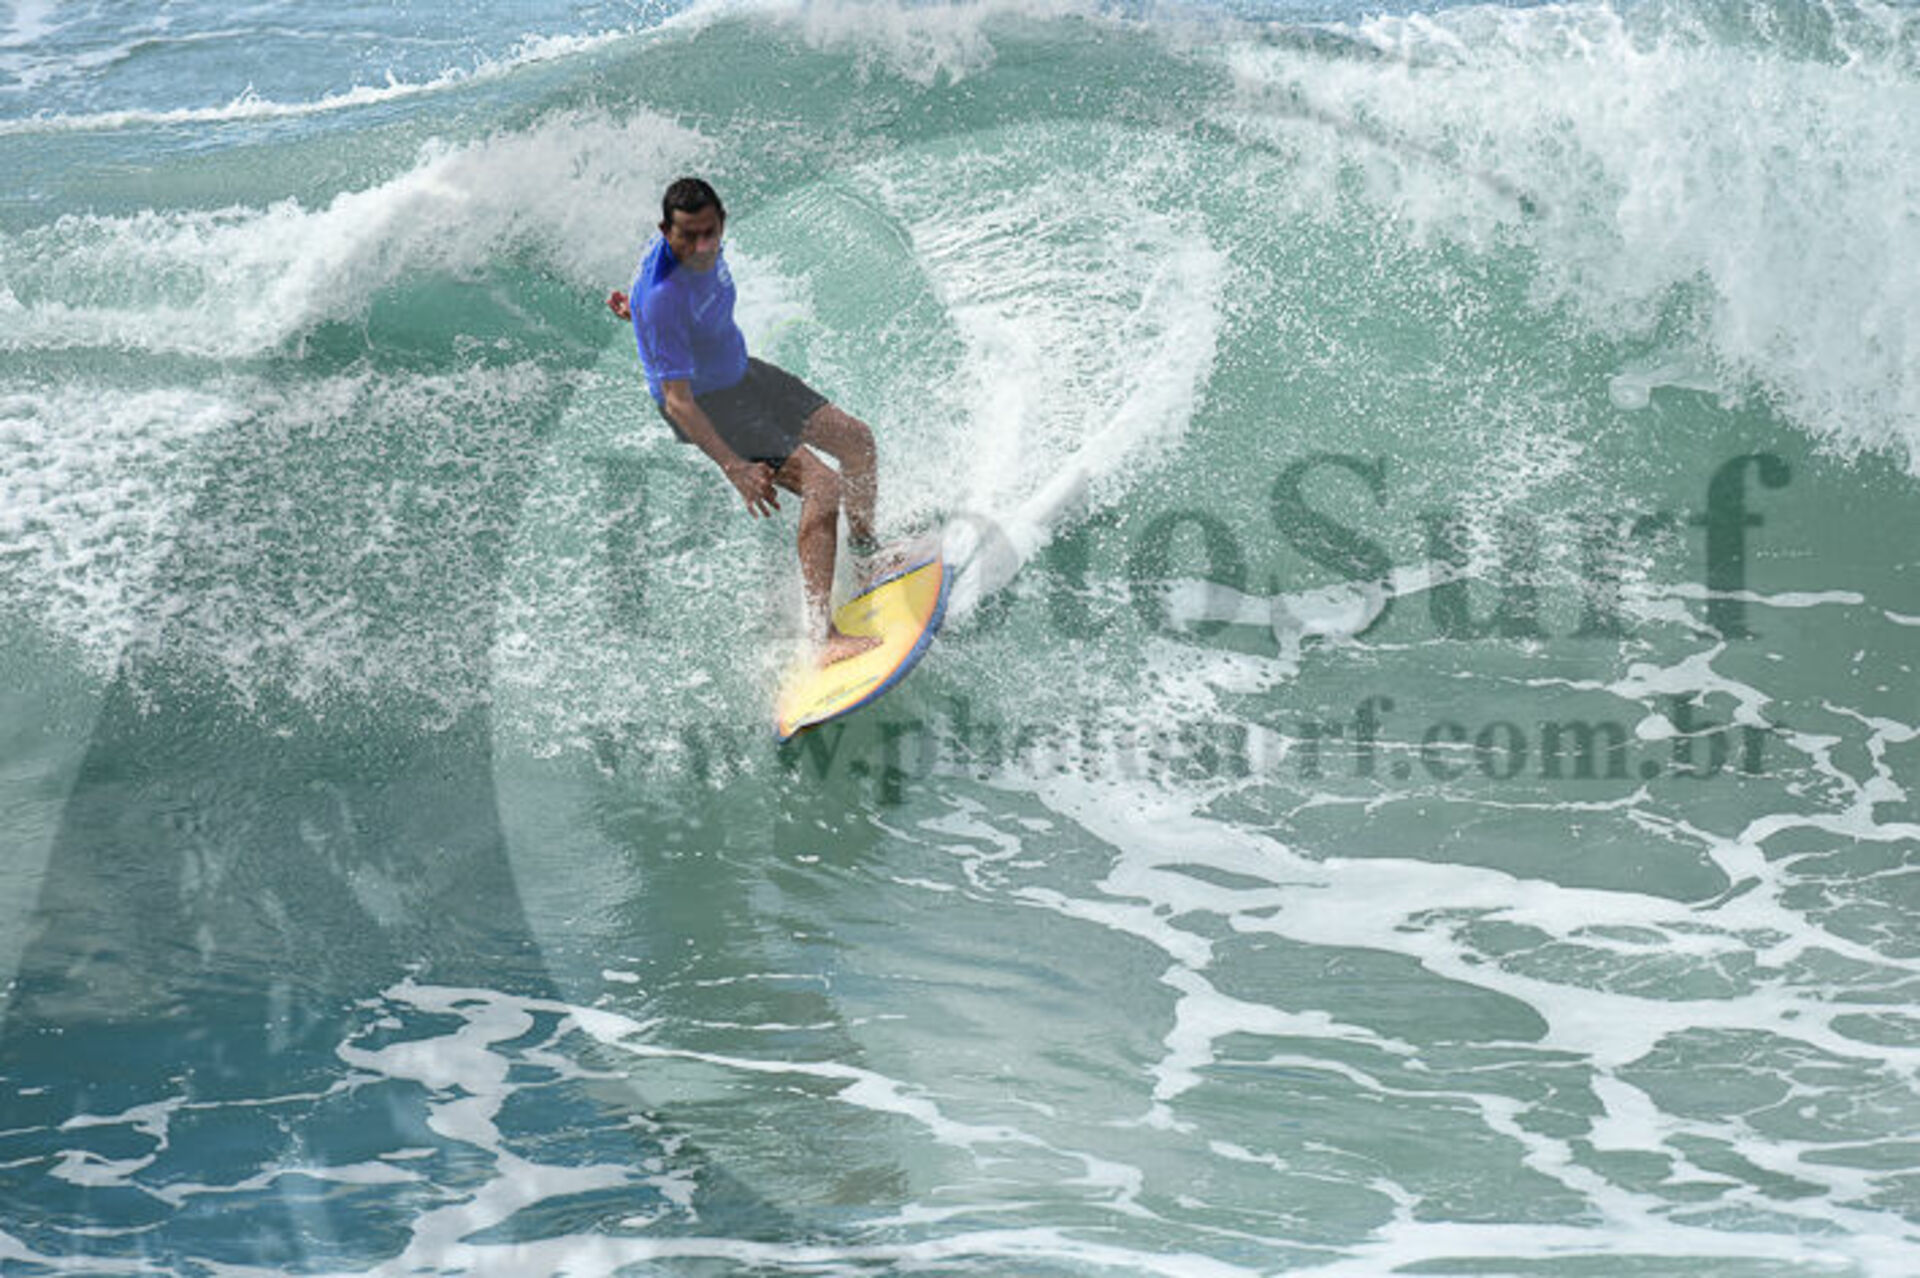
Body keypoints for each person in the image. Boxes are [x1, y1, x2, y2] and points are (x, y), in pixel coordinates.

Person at [608, 177, 882, 665]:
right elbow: (677, 403)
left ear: (722, 222)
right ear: (665, 232)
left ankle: (866, 558)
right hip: (707, 403)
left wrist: (639, 317)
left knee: (856, 441)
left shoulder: (694, 256)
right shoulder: (662, 296)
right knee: (822, 486)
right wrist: (734, 467)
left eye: (710, 233)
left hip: (739, 372)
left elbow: (662, 303)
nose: (701, 247)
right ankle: (823, 639)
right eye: (687, 236)